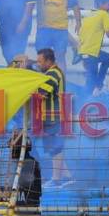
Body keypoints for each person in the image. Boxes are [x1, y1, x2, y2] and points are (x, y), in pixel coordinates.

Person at [77, 0, 109, 95]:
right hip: (91, 53)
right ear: (101, 4)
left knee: (107, 58)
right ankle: (82, 102)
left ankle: (99, 85)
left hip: (84, 51)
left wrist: (81, 54)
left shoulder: (90, 15)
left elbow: (81, 34)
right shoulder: (104, 14)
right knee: (90, 82)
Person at [34, 47, 71, 185]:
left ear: (49, 61)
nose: (38, 64)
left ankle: (56, 180)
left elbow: (40, 93)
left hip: (55, 117)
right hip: (50, 117)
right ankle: (68, 177)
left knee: (56, 148)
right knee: (53, 148)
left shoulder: (52, 74)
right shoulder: (52, 72)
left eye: (40, 61)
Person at [36, 0, 79, 71]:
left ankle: (61, 83)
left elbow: (74, 4)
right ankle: (43, 83)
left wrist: (79, 23)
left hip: (61, 28)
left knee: (60, 56)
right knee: (42, 57)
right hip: (44, 27)